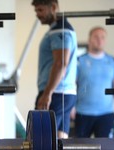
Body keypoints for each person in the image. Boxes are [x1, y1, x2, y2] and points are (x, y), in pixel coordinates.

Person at [32, 0, 78, 138]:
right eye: (36, 11)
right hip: (63, 93)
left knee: (42, 142)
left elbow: (61, 63)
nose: (37, 15)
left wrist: (47, 94)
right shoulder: (60, 28)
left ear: (53, 7)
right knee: (59, 142)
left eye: (40, 10)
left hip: (56, 93)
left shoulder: (60, 29)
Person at [73, 26, 114, 138]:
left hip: (106, 114)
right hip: (83, 113)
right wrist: (70, 107)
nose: (99, 40)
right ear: (89, 39)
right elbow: (72, 86)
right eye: (96, 37)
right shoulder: (79, 61)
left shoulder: (112, 61)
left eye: (102, 37)